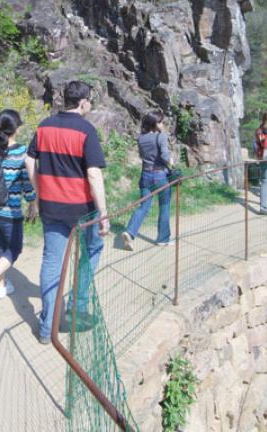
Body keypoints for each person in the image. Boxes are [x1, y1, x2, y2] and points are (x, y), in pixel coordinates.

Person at [25, 80, 109, 345]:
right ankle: (76, 305)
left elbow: (29, 159)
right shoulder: (87, 130)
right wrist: (103, 213)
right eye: (90, 101)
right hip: (81, 210)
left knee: (52, 263)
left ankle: (46, 328)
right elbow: (94, 174)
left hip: (51, 206)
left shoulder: (44, 126)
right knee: (92, 249)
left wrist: (38, 193)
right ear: (83, 102)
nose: (91, 105)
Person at [0, 109, 38, 308]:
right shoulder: (20, 152)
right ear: (16, 128)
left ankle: (1, 287)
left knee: (1, 245)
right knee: (14, 248)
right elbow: (27, 184)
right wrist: (33, 203)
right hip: (9, 211)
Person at [120, 111, 173, 250]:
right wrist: (171, 162)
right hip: (160, 175)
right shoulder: (161, 136)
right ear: (154, 123)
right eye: (160, 122)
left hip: (145, 176)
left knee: (143, 206)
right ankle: (163, 239)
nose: (162, 124)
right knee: (164, 206)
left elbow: (142, 155)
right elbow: (165, 156)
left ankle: (130, 233)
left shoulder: (140, 138)